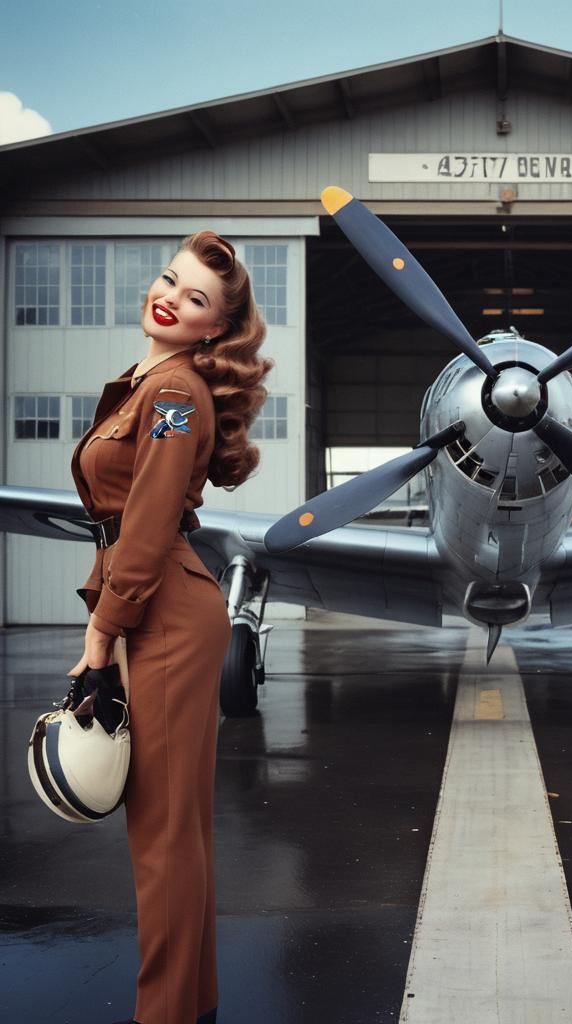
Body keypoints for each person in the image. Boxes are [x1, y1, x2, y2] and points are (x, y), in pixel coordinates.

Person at [68, 231, 273, 1024]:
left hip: (166, 616)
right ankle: (191, 1006)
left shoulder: (175, 395)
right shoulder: (146, 384)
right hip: (147, 607)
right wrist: (105, 627)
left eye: (195, 299)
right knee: (172, 832)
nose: (170, 298)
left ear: (213, 328)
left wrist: (101, 636)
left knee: (163, 838)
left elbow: (149, 525)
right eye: (170, 279)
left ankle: (166, 1013)